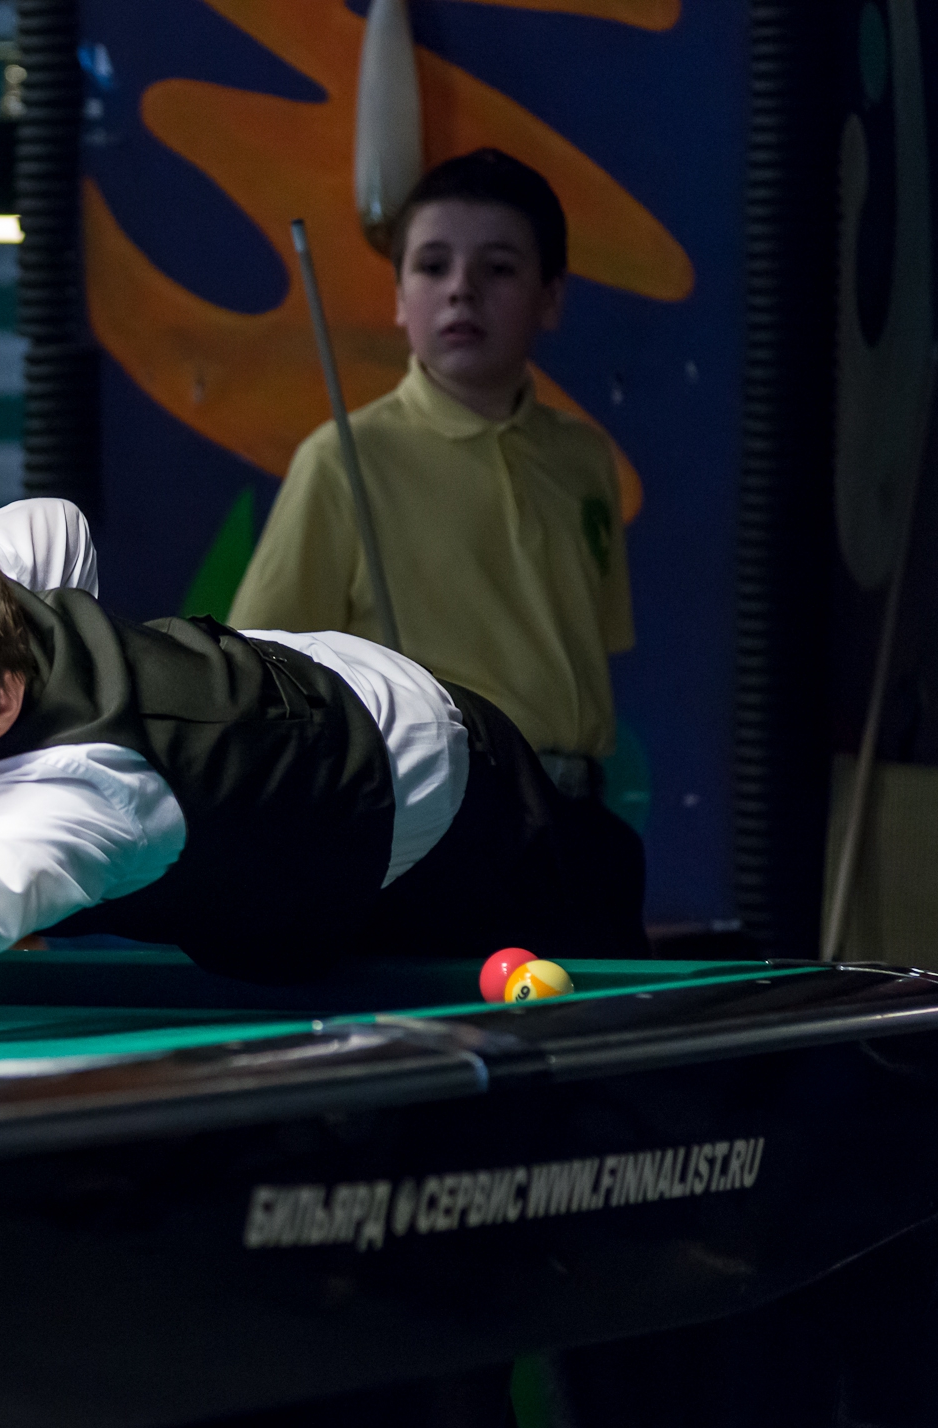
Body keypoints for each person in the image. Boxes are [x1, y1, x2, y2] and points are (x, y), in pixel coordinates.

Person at [0, 499, 639, 1064]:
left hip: (448, 798)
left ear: (1, 700)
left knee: (604, 1038)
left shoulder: (80, 790)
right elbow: (53, 523)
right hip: (291, 724)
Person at [227, 148, 645, 947]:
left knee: (610, 1024)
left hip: (579, 825)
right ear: (398, 299)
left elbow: (589, 651)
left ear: (551, 298)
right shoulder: (345, 459)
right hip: (441, 826)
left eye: (499, 268)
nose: (462, 289)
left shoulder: (584, 458)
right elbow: (259, 667)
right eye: (432, 265)